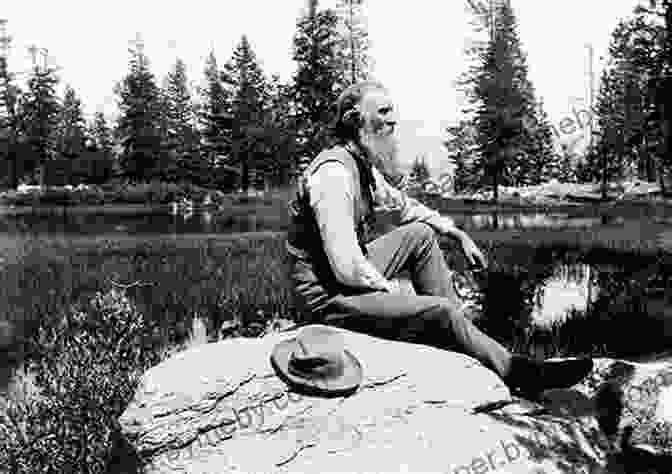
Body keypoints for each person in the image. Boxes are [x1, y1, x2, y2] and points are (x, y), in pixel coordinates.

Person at [285, 80, 593, 398]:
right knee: (438, 311)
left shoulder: (360, 166)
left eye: (393, 112)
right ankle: (516, 370)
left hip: (340, 278)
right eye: (383, 111)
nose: (393, 121)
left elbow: (405, 207)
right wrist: (395, 296)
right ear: (354, 121)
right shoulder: (333, 175)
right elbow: (347, 267)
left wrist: (456, 234)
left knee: (420, 235)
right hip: (325, 297)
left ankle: (464, 337)